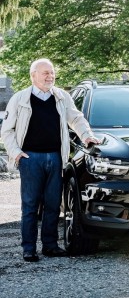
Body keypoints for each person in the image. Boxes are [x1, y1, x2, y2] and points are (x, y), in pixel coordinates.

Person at [1, 58, 100, 262]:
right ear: (33, 76)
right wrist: (17, 153)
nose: (50, 76)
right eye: (45, 72)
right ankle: (29, 248)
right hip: (30, 158)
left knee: (54, 204)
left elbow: (76, 118)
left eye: (52, 72)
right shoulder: (20, 99)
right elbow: (7, 130)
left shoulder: (62, 97)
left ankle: (50, 245)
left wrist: (86, 135)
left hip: (56, 157)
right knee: (30, 205)